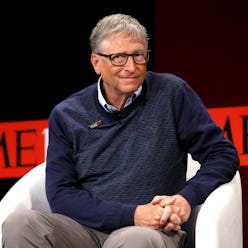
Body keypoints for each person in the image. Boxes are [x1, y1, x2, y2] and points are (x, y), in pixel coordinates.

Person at [2, 13, 239, 248]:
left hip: (151, 230)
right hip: (85, 231)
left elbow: (222, 154)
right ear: (96, 62)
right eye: (118, 58)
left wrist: (187, 197)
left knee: (133, 240)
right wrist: (133, 214)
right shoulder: (67, 114)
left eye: (138, 55)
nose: (131, 67)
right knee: (19, 224)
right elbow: (61, 195)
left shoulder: (172, 93)